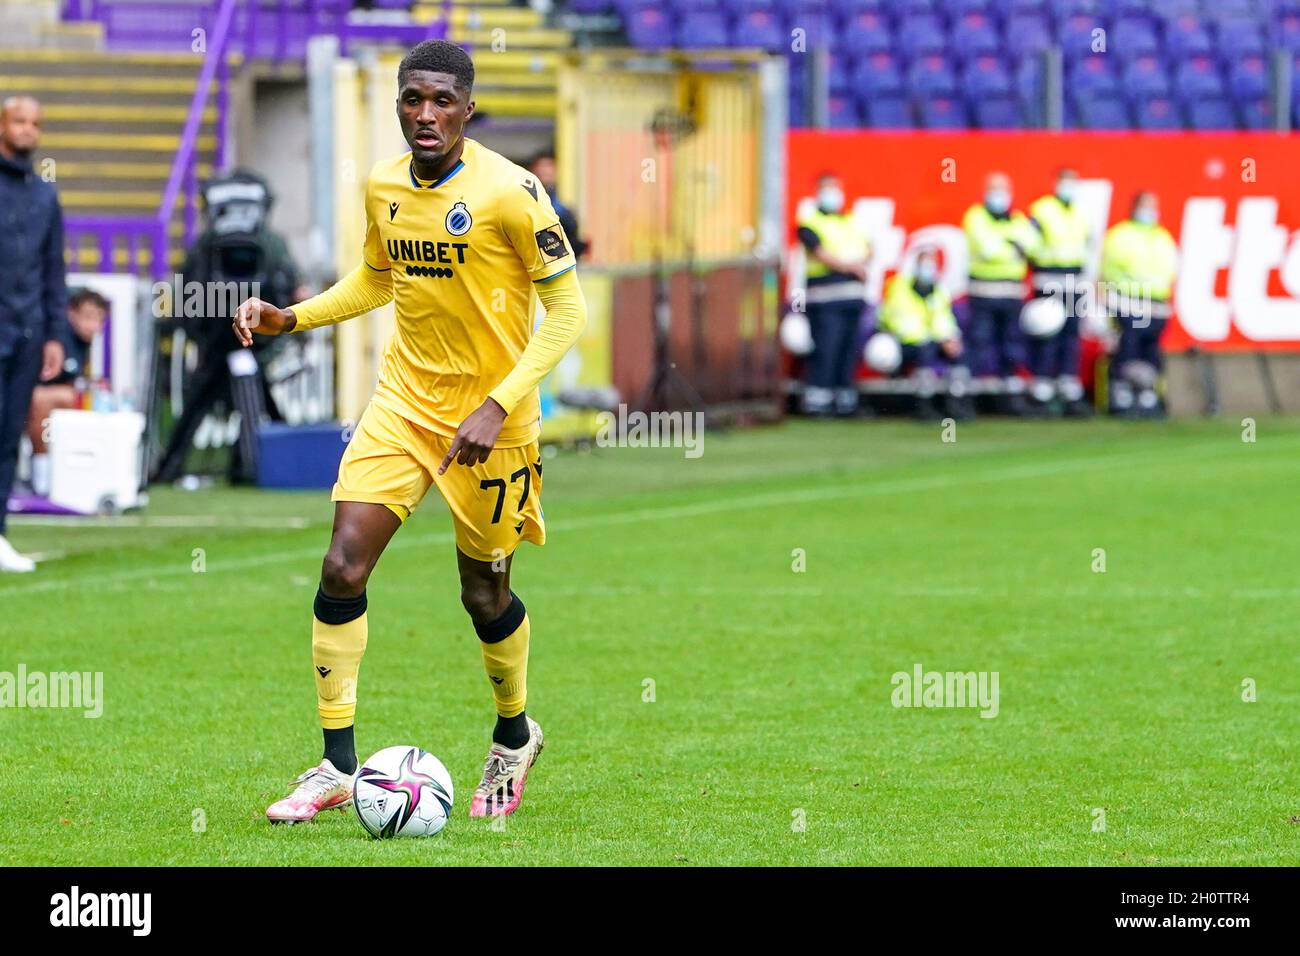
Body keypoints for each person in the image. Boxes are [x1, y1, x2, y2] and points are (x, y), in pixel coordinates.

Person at [232, 40, 587, 822]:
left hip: (495, 424)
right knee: (341, 567)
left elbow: (568, 313)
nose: (425, 115)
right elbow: (377, 276)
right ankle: (334, 764)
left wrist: (497, 403)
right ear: (399, 104)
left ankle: (514, 732)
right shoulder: (383, 183)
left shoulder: (514, 193)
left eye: (441, 102)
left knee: (482, 592)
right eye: (412, 99)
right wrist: (295, 316)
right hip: (403, 403)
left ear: (466, 109)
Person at [151, 169, 301, 485]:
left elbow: (187, 289)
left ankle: (172, 467)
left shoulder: (207, 242)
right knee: (258, 398)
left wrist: (189, 324)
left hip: (218, 338)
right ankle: (266, 465)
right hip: (253, 337)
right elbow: (290, 286)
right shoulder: (270, 242)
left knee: (200, 400)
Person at [0, 95, 67, 573]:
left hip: (25, 331)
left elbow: (53, 270)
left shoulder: (45, 195)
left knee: (9, 435)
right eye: (19, 121)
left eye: (35, 123)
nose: (27, 130)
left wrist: (53, 335)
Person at [962, 172, 1037, 415]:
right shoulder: (975, 216)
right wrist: (1013, 246)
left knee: (1012, 346)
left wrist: (1010, 244)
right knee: (979, 343)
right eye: (994, 189)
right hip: (983, 291)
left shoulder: (1016, 218)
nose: (999, 195)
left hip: (1011, 293)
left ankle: (1009, 399)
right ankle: (968, 398)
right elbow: (988, 249)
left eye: (1003, 189)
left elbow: (1032, 245)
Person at [797, 173, 870, 417]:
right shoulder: (810, 222)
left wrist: (860, 262)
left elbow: (868, 248)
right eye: (828, 189)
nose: (833, 195)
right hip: (825, 300)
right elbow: (820, 252)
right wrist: (851, 266)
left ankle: (845, 402)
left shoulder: (849, 221)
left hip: (852, 297)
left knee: (848, 351)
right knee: (826, 350)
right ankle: (818, 403)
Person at [25, 288, 109, 496]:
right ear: (71, 313)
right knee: (43, 400)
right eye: (88, 316)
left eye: (99, 318)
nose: (93, 325)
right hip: (31, 401)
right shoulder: (60, 339)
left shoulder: (83, 343)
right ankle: (41, 475)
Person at [1101, 191, 1177, 418]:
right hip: (1129, 302)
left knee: (1151, 352)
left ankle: (1147, 396)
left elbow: (1169, 271)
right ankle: (1122, 395)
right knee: (1127, 350)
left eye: (1153, 206)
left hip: (1156, 304)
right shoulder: (1120, 235)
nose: (1150, 211)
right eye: (1146, 206)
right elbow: (1111, 270)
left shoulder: (1162, 237)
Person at [878, 248, 972, 420]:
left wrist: (949, 338)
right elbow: (900, 322)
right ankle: (924, 405)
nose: (928, 269)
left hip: (931, 340)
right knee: (925, 352)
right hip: (905, 343)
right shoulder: (899, 288)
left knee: (959, 354)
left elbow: (944, 319)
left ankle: (956, 402)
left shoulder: (938, 290)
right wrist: (931, 339)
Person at [1027, 167, 1092, 416]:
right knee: (1047, 334)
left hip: (1073, 282)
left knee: (1070, 336)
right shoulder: (1042, 210)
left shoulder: (1080, 213)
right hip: (1049, 280)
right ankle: (1041, 389)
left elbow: (1084, 247)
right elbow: (1030, 245)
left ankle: (1069, 389)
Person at [526, 146, 587, 259]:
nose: (545, 172)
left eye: (549, 167)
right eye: (542, 167)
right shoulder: (524, 203)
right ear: (533, 171)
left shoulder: (564, 211)